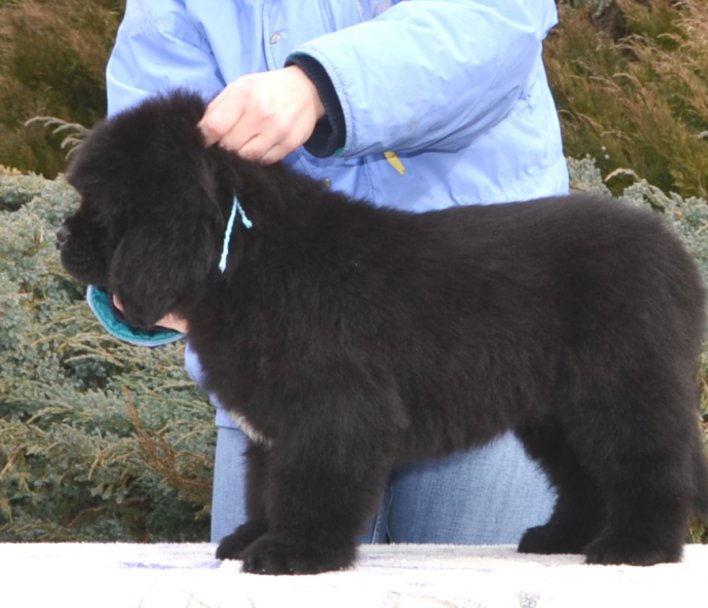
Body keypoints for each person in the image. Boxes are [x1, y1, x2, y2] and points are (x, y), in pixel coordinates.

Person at [101, 0, 569, 544]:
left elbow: (493, 21)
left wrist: (319, 86)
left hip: (474, 328)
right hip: (277, 375)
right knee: (271, 578)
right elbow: (149, 146)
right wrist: (146, 273)